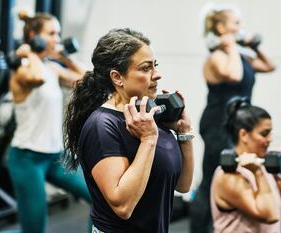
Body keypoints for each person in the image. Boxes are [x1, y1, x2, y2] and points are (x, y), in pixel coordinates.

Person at [62, 28, 194, 233]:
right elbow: (123, 206)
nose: (156, 75)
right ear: (117, 77)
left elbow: (182, 185)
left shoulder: (148, 115)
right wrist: (149, 139)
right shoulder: (102, 126)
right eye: (145, 68)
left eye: (155, 66)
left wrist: (184, 134)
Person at [189, 4, 276, 233]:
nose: (241, 27)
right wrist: (232, 48)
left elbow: (269, 66)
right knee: (211, 180)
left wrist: (254, 47)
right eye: (236, 23)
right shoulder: (216, 58)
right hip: (217, 125)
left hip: (238, 125)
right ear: (220, 27)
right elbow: (234, 75)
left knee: (234, 176)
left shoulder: (242, 57)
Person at [6, 12, 91, 233]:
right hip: (27, 158)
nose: (57, 39)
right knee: (35, 228)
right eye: (52, 34)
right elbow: (37, 79)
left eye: (58, 33)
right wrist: (30, 51)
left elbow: (88, 80)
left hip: (56, 155)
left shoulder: (52, 68)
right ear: (35, 36)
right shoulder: (21, 69)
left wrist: (64, 57)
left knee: (101, 199)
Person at [210, 97, 281, 232]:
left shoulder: (264, 167)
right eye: (264, 133)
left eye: (270, 132)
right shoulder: (229, 175)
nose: (270, 139)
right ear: (244, 135)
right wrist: (258, 173)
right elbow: (271, 215)